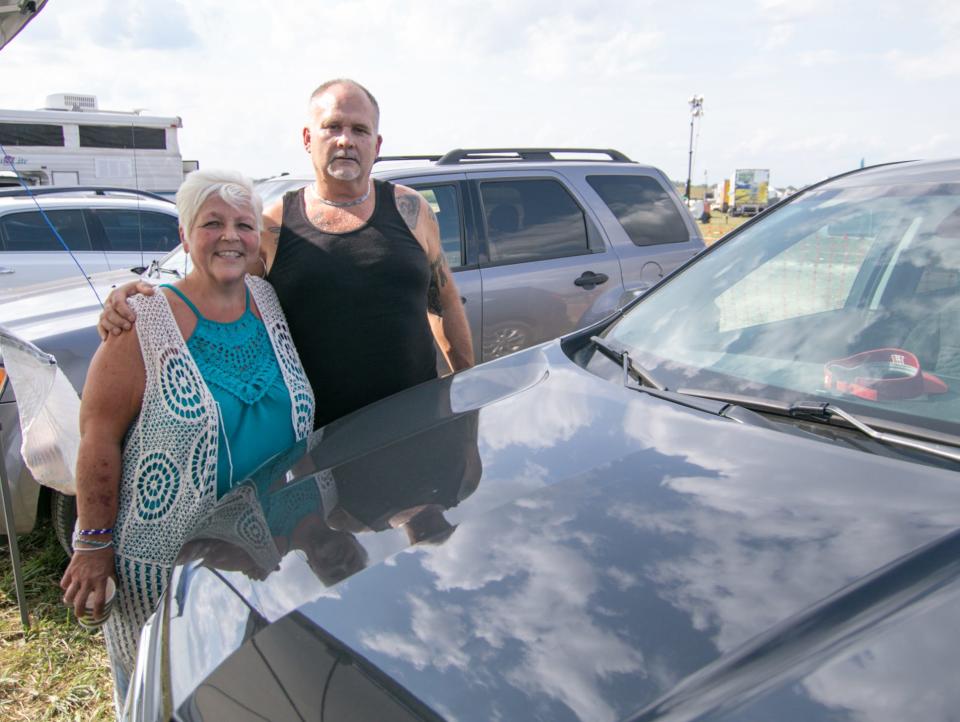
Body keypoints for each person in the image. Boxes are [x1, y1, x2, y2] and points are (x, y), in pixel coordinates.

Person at [60, 169, 315, 712]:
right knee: (172, 693)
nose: (230, 236)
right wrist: (92, 544)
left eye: (244, 225)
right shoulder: (142, 320)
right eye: (212, 223)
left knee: (244, 691)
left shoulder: (267, 300)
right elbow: (98, 436)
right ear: (184, 235)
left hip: (266, 549)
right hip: (167, 566)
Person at [100, 79, 474, 428]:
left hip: (419, 424)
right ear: (309, 139)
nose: (346, 140)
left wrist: (468, 392)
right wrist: (141, 298)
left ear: (376, 145)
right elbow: (209, 288)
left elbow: (443, 301)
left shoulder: (411, 209)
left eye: (359, 130)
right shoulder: (273, 227)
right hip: (323, 442)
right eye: (333, 127)